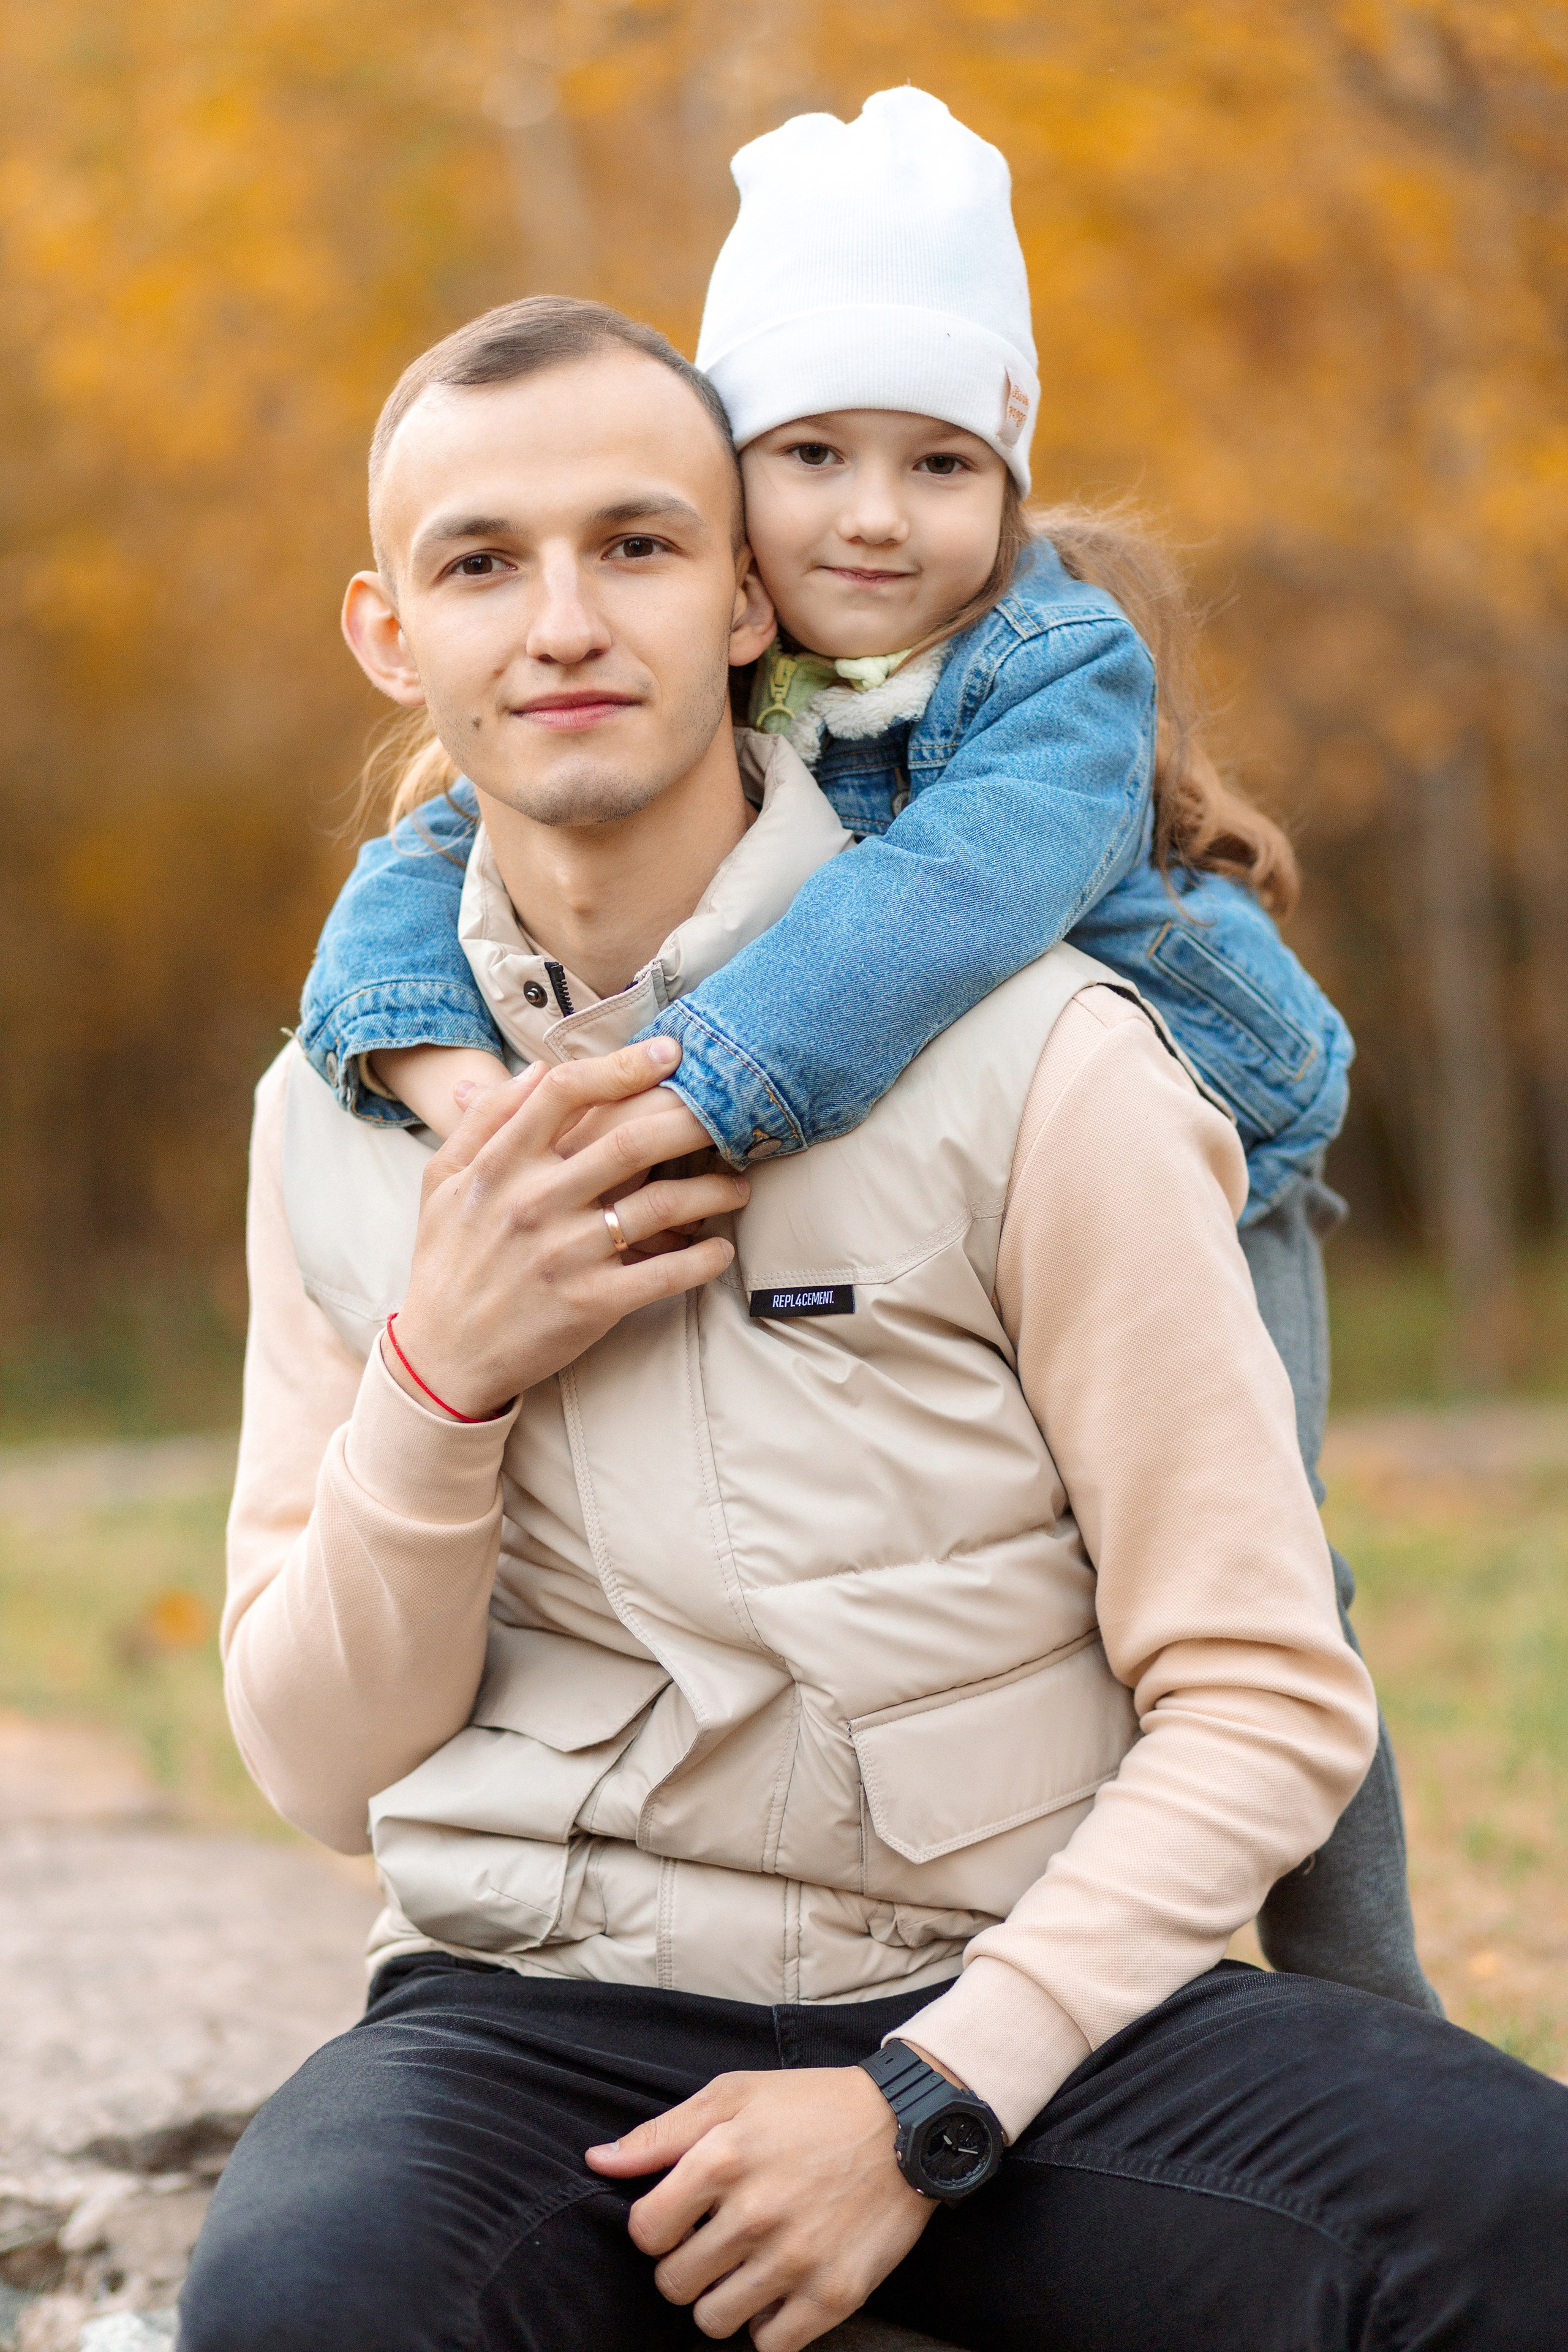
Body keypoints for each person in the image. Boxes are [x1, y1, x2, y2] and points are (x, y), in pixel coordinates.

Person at [183, 294, 1568, 2352]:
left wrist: (919, 2100)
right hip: (538, 2025)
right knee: (305, 2313)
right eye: (485, 563)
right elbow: (314, 1763)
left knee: (1522, 2218)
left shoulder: (1045, 1057)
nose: (563, 621)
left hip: (1041, 2010)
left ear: (749, 596)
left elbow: (1265, 1693)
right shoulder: (339, 1114)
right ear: (397, 635)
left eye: (636, 547)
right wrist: (439, 1371)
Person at [296, 91, 1433, 2014]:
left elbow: (951, 903)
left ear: (1009, 482)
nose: (877, 517)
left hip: (1217, 1143)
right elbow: (419, 857)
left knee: (1259, 1586)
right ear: (736, 506)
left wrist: (696, 1092)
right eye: (811, 454)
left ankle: (1355, 1997)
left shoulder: (1054, 670)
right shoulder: (686, 646)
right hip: (951, 1153)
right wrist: (456, 1094)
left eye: (941, 461)